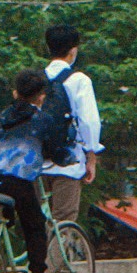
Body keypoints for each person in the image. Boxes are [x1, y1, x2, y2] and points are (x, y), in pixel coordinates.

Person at [0, 70, 64, 273]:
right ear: (41, 97)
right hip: (17, 180)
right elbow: (55, 150)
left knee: (2, 219)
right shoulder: (43, 119)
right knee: (34, 225)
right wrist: (68, 158)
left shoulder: (3, 116)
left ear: (15, 93)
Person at [40, 24, 102, 226]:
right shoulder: (79, 80)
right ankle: (57, 248)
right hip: (68, 164)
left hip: (35, 163)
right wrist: (91, 157)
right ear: (73, 50)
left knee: (36, 225)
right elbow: (89, 122)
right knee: (63, 223)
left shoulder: (35, 79)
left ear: (48, 48)